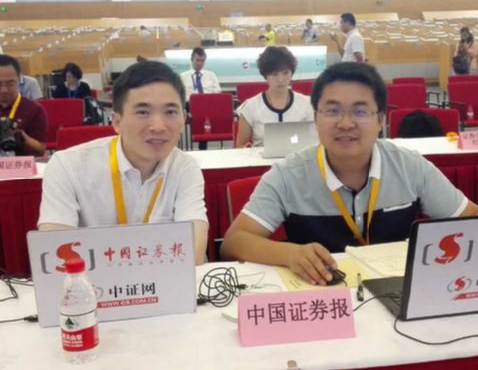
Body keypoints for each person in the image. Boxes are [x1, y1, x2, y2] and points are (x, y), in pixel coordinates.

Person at [222, 62, 478, 285]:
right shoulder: (287, 175)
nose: (346, 123)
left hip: (396, 295)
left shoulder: (411, 167)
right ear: (315, 119)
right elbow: (233, 243)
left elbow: (477, 219)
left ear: (380, 119)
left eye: (360, 111)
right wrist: (289, 254)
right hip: (323, 299)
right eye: (332, 111)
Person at [38, 61, 209, 264]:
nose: (158, 126)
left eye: (170, 112)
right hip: (92, 285)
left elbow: (193, 253)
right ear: (117, 122)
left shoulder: (185, 168)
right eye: (143, 112)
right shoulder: (67, 167)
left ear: (183, 119)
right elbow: (56, 256)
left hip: (165, 283)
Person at [235, 46, 314, 148]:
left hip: (298, 157)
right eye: (274, 74)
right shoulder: (251, 106)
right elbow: (241, 145)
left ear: (292, 73)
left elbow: (313, 141)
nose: (280, 79)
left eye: (285, 73)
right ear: (265, 75)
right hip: (260, 157)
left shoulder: (306, 104)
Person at [0, 54, 48, 156]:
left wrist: (21, 136)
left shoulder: (35, 109)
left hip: (21, 163)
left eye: (10, 83)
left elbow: (40, 151)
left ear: (19, 80)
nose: (4, 90)